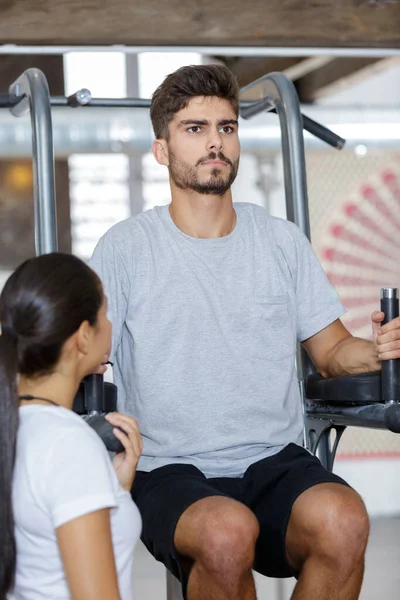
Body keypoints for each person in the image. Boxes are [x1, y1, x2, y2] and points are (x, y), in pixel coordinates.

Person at [89, 64, 400, 600]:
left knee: (344, 520)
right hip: (168, 467)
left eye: (226, 128)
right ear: (162, 150)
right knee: (226, 531)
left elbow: (332, 352)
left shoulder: (280, 241)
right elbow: (87, 360)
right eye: (195, 129)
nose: (215, 142)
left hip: (272, 459)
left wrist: (379, 351)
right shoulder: (125, 248)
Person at [0, 253, 142, 600]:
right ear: (82, 337)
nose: (111, 323)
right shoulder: (68, 444)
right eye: (105, 313)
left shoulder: (17, 426)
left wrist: (114, 489)